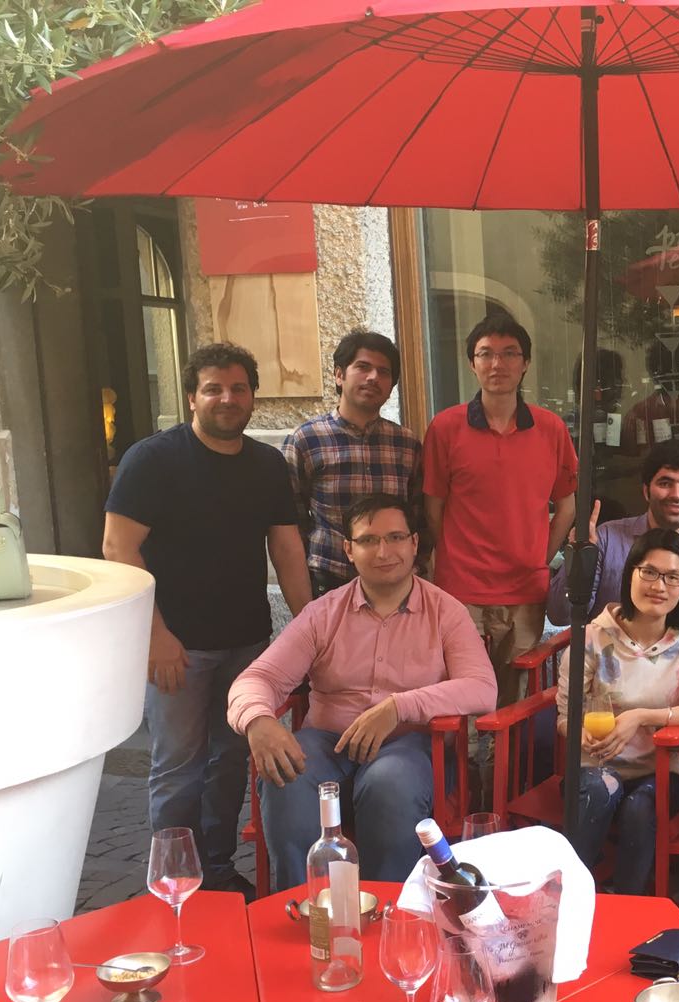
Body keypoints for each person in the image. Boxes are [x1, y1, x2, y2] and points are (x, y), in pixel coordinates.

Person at [103, 342, 312, 900]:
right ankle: (175, 883)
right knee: (178, 768)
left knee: (230, 762)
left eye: (238, 388)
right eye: (213, 388)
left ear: (253, 397)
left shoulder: (266, 465)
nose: (227, 398)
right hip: (177, 646)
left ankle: (216, 870)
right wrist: (155, 636)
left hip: (248, 645)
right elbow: (118, 549)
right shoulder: (152, 459)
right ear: (192, 397)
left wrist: (311, 629)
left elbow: (287, 549)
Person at [226, 494, 496, 891]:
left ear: (414, 544)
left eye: (395, 537)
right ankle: (306, 906)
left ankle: (388, 912)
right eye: (369, 540)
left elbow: (482, 688)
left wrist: (398, 707)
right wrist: (258, 720)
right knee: (286, 775)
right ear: (349, 550)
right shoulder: (323, 613)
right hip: (327, 743)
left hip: (411, 746)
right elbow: (258, 678)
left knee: (389, 783)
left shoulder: (446, 612)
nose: (383, 551)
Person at [558, 528, 679, 894]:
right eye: (649, 572)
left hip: (660, 772)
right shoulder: (593, 637)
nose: (659, 586)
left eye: (672, 577)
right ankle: (571, 896)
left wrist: (643, 717)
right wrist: (576, 732)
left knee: (641, 807)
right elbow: (564, 715)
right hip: (594, 767)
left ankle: (627, 903)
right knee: (599, 789)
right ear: (630, 574)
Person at [423, 313, 577, 704]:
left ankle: (508, 753)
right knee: (461, 695)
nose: (497, 363)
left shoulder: (550, 429)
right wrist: (451, 557)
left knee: (517, 698)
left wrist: (541, 557)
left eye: (510, 353)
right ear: (471, 363)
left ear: (525, 363)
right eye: (486, 353)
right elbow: (433, 507)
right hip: (461, 590)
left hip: (525, 589)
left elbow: (567, 506)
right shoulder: (445, 427)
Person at [283, 330, 423, 597]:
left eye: (383, 372)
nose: (373, 377)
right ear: (339, 375)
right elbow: (291, 525)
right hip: (330, 582)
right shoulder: (306, 440)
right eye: (363, 367)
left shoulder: (406, 444)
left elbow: (418, 517)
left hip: (395, 582)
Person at [547, 439, 679, 631]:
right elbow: (560, 615)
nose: (676, 494)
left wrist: (675, 642)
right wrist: (580, 560)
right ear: (646, 491)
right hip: (609, 648)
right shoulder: (606, 538)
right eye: (665, 483)